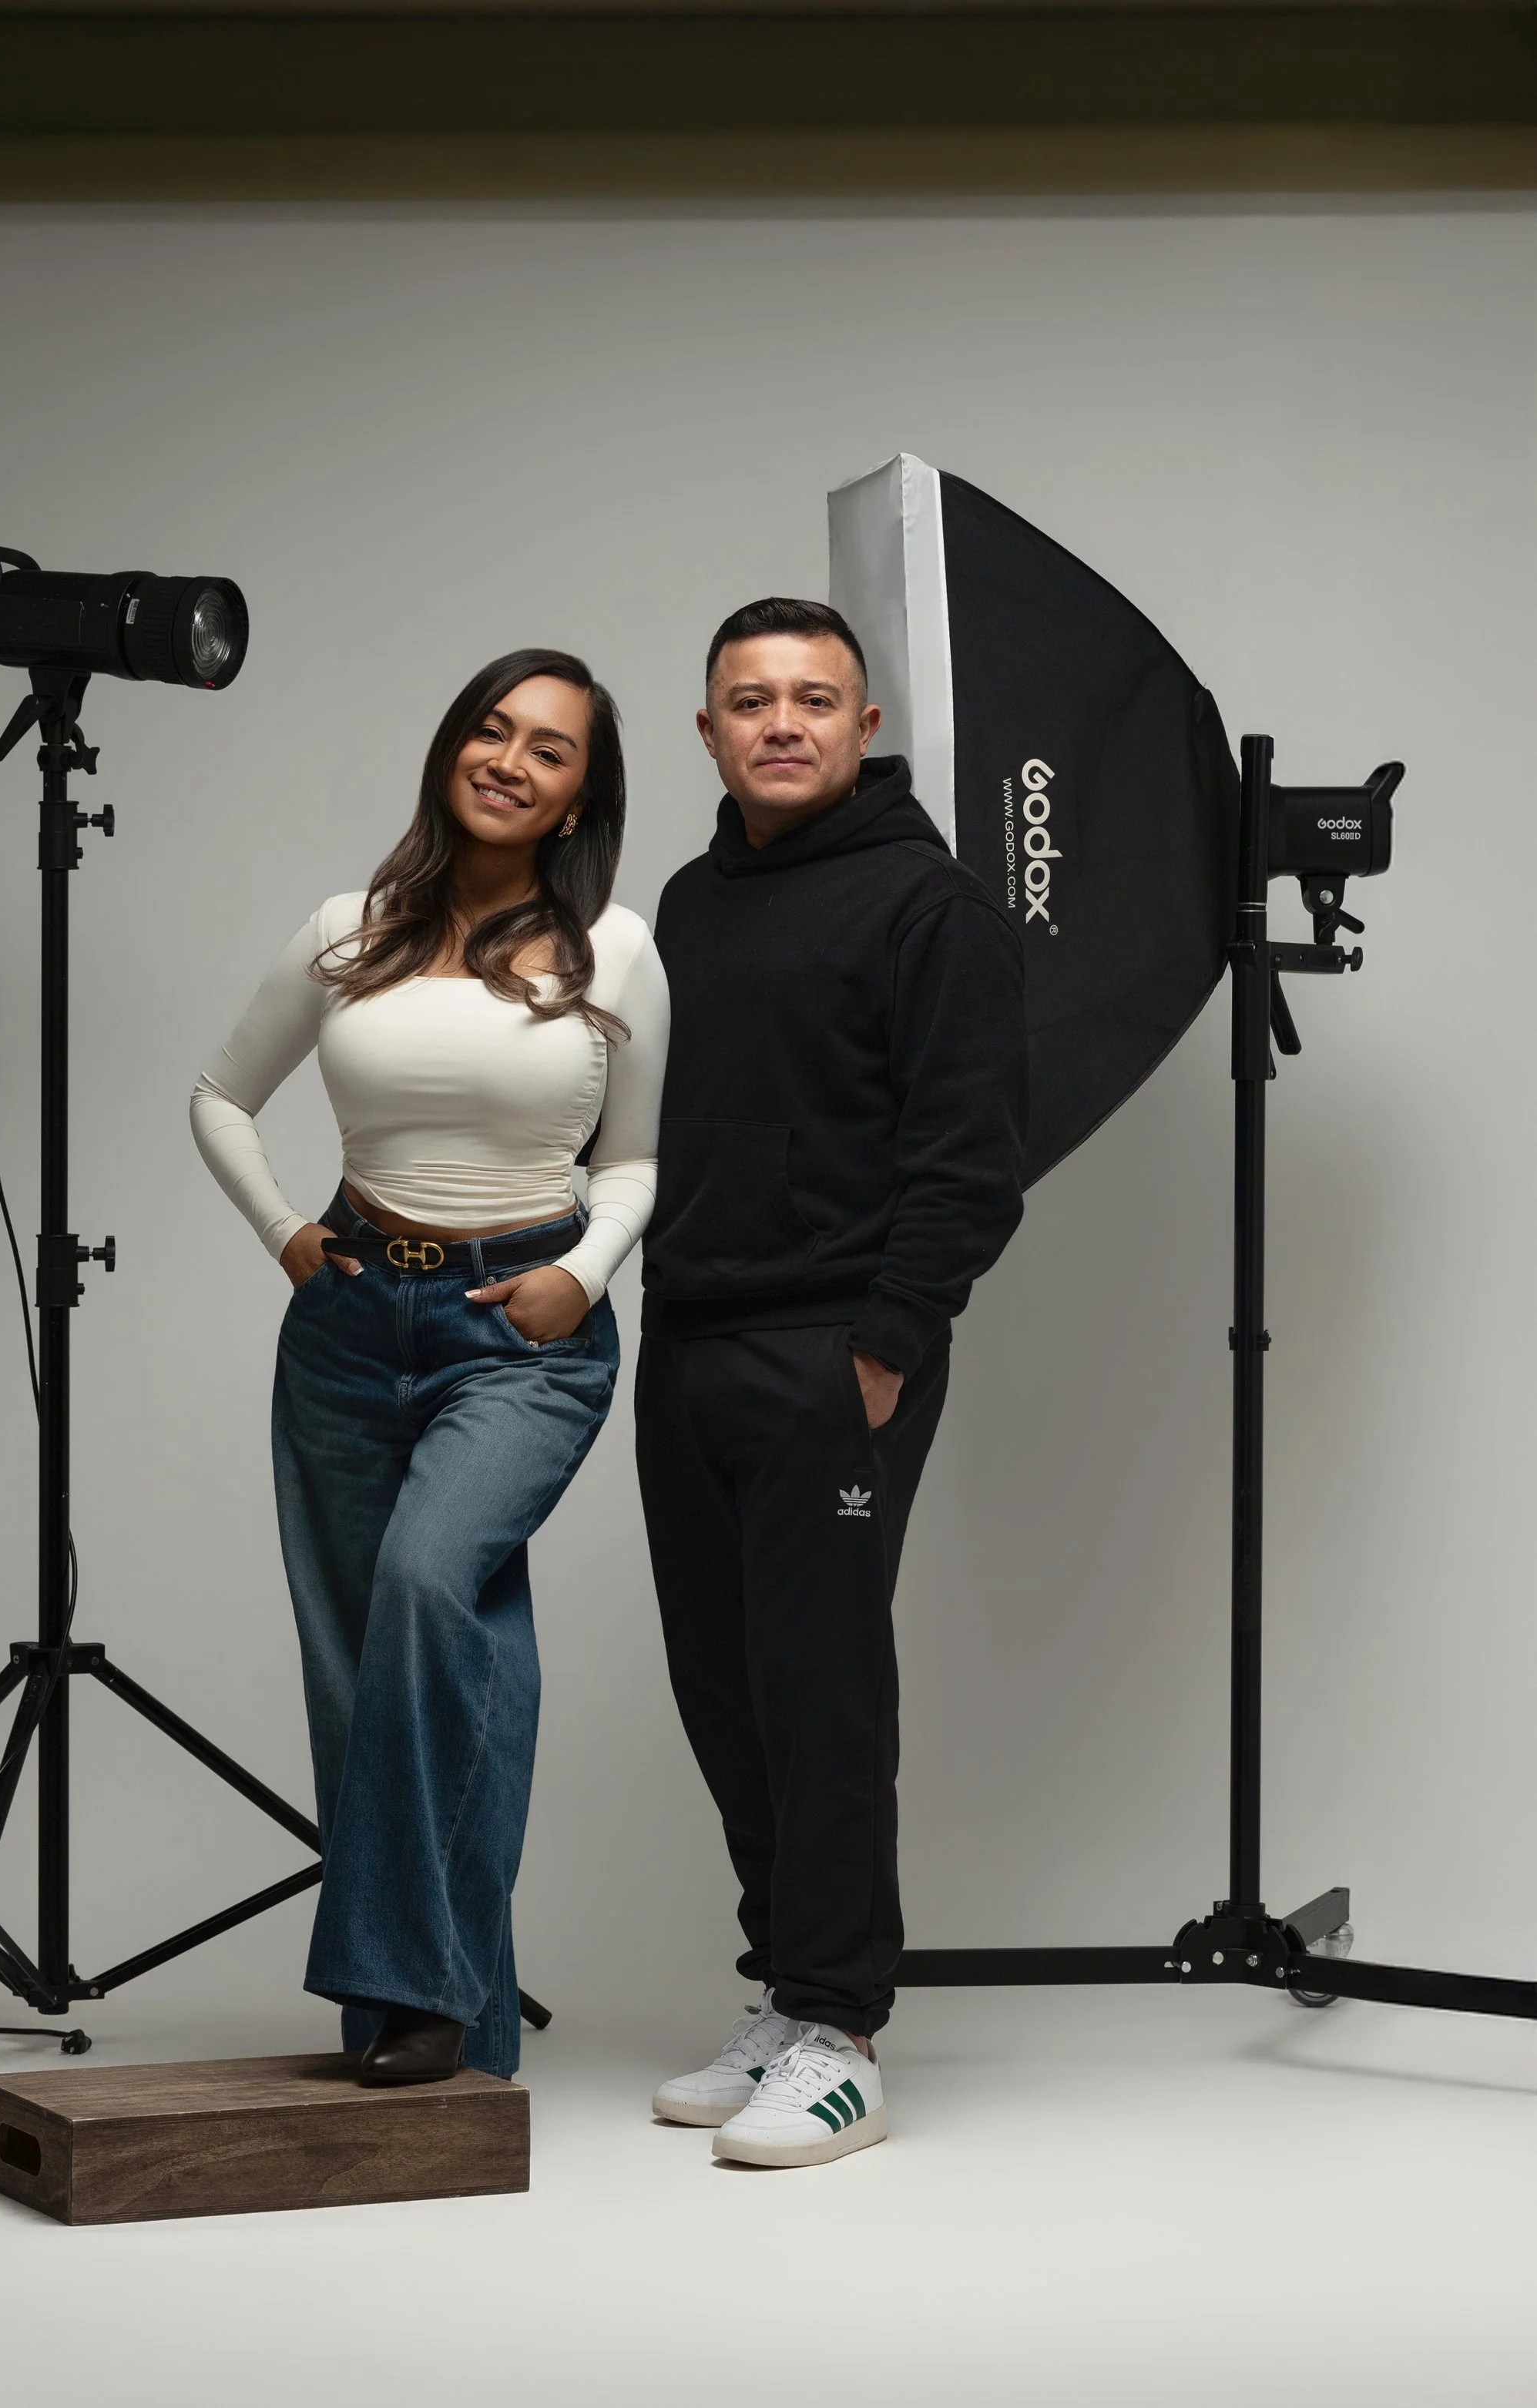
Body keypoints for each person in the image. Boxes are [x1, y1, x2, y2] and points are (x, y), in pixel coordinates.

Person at [192, 648, 667, 2087]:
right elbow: (221, 1095)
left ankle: (409, 1995)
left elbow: (636, 1159)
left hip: (519, 1333)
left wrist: (585, 1272)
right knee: (380, 1665)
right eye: (492, 729)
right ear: (453, 744)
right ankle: (447, 2036)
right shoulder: (347, 931)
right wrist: (285, 1234)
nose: (511, 760)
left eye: (551, 749)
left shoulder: (618, 950)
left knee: (422, 1584)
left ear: (581, 795)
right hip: (349, 1322)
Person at [637, 598, 1027, 2167]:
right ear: (708, 730)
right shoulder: (686, 903)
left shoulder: (930, 906)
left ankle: (842, 2030)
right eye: (751, 700)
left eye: (813, 699)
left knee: (818, 1687)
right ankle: (784, 1992)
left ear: (864, 727)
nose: (782, 723)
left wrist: (885, 1343)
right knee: (723, 1687)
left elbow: (973, 1153)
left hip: (832, 1351)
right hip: (686, 1339)